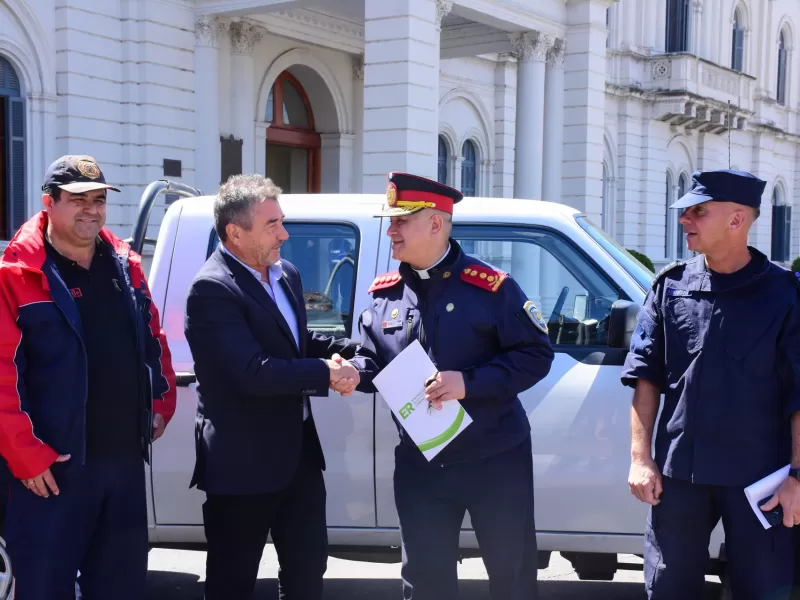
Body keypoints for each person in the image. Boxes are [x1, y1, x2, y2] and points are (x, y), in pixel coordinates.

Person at [343, 172, 555, 600]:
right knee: (424, 581)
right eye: (391, 221)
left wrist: (469, 383)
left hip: (494, 459)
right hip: (423, 464)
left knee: (512, 577)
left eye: (401, 221)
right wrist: (353, 373)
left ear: (435, 224)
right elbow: (372, 360)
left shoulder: (491, 288)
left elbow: (535, 355)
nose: (391, 230)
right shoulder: (386, 295)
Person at [0, 155, 177, 599]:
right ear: (48, 202)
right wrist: (26, 456)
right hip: (50, 473)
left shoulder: (124, 265)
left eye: (98, 199)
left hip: (122, 465)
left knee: (121, 587)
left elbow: (152, 339)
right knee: (44, 589)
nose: (92, 210)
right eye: (78, 199)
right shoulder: (17, 275)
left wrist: (159, 402)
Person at [621, 169, 800, 599]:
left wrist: (797, 476)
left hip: (761, 481)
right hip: (681, 476)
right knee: (669, 588)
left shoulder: (786, 294)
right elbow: (645, 377)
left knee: (764, 591)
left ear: (737, 220)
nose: (685, 220)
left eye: (698, 211)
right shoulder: (671, 287)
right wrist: (640, 459)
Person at [184, 173, 361, 600]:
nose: (284, 233)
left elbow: (295, 342)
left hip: (297, 457)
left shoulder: (286, 274)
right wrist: (326, 372)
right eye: (272, 225)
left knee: (307, 568)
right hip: (241, 464)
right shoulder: (212, 289)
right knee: (233, 579)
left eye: (281, 221)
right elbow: (252, 371)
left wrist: (353, 352)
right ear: (235, 232)